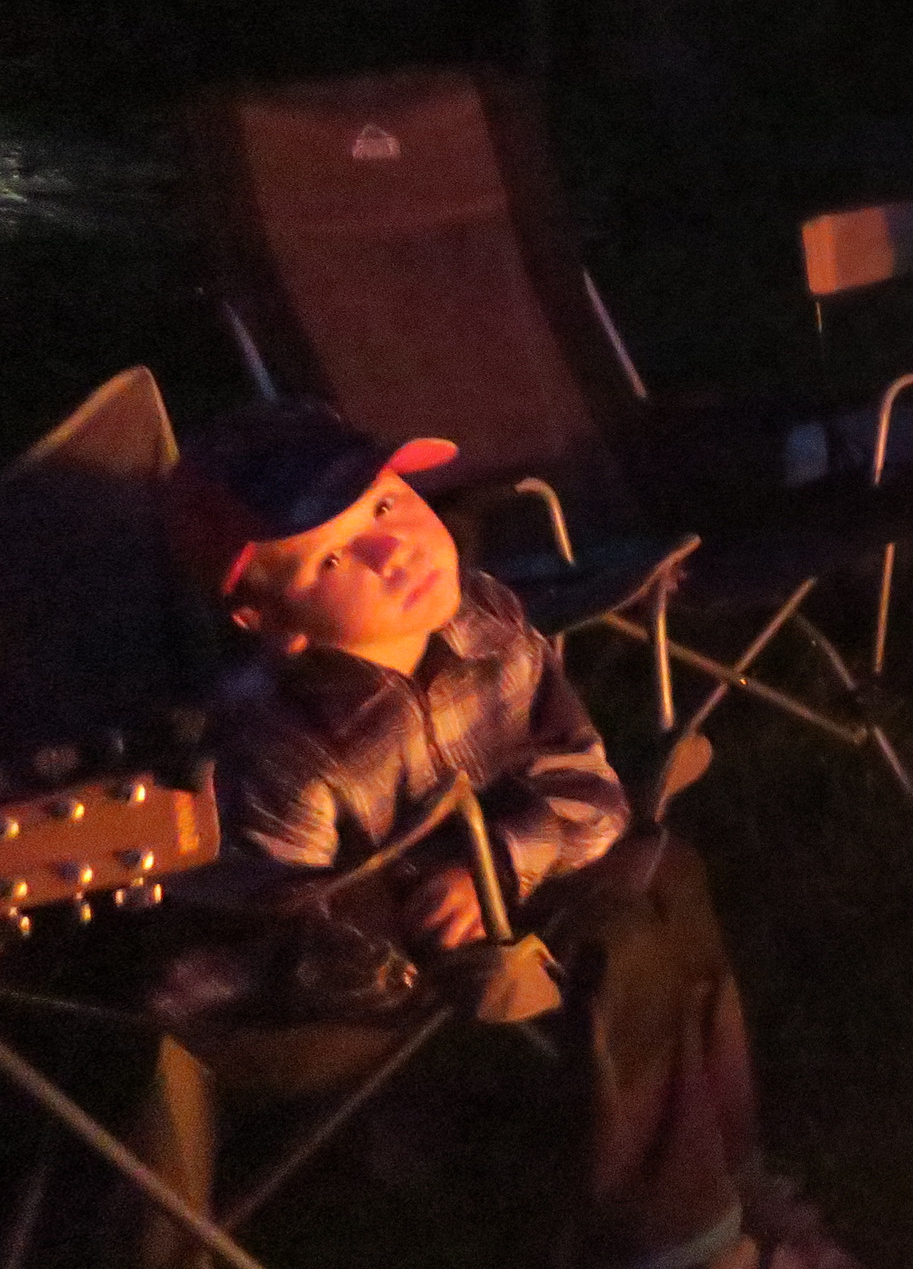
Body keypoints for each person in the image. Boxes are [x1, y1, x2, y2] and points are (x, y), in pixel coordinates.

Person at [157, 401, 855, 1269]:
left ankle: (730, 1165)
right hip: (366, 985)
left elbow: (584, 780)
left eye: (385, 505)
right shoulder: (280, 753)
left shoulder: (485, 616)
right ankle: (689, 1247)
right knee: (620, 942)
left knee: (668, 869)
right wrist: (435, 931)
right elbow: (278, 941)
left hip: (503, 890)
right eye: (331, 557)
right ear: (268, 620)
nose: (392, 550)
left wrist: (502, 867)